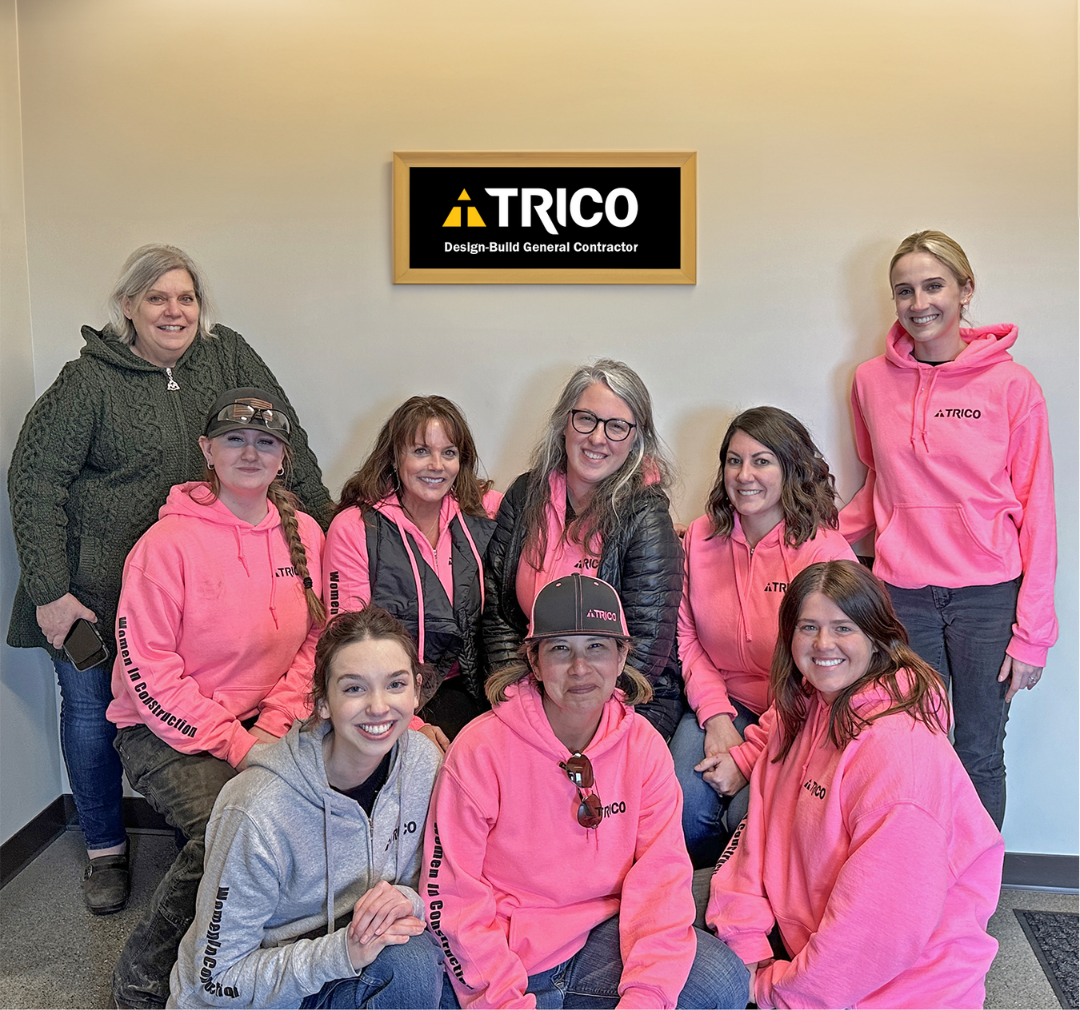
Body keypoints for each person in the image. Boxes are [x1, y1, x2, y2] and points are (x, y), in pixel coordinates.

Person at [6, 244, 331, 915]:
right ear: (128, 307)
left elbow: (281, 435)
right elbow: (35, 479)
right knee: (95, 715)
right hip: (93, 595)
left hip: (202, 590)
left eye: (185, 297)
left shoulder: (226, 355)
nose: (173, 310)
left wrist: (332, 538)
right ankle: (105, 851)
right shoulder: (87, 382)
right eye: (157, 297)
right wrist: (47, 589)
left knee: (206, 704)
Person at [426, 573, 749, 1009]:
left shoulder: (644, 747)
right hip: (504, 957)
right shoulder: (479, 749)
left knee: (721, 981)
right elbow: (453, 897)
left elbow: (661, 882)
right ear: (534, 662)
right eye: (560, 649)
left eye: (596, 647)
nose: (580, 669)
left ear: (621, 658)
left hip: (598, 941)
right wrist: (500, 999)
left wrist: (645, 998)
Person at [107, 387, 326, 1010]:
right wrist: (238, 744)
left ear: (283, 457)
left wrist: (276, 722)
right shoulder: (164, 545)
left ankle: (268, 955)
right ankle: (145, 975)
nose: (250, 452)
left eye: (265, 441)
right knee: (224, 830)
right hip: (165, 730)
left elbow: (315, 641)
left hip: (269, 719)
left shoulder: (303, 533)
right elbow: (148, 672)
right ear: (208, 450)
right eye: (235, 439)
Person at [707, 560, 1004, 1010]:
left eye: (843, 628)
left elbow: (876, 933)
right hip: (803, 946)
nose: (823, 643)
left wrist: (768, 990)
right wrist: (744, 942)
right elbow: (756, 835)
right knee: (651, 926)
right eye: (809, 626)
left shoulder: (900, 752)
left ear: (878, 637)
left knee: (685, 977)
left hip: (895, 988)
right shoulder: (802, 708)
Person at [839, 229, 1057, 828]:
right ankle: (921, 886)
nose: (918, 303)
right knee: (914, 749)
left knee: (979, 752)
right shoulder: (869, 382)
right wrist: (810, 537)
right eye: (903, 291)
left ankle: (972, 904)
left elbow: (1038, 509)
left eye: (933, 286)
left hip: (989, 598)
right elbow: (878, 489)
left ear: (965, 291)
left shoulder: (1013, 386)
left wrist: (1034, 632)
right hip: (902, 594)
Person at [169, 607, 444, 1010]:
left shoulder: (422, 762)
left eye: (395, 684)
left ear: (416, 691)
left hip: (349, 963)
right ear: (323, 702)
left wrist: (407, 899)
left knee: (422, 962)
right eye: (354, 689)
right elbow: (214, 980)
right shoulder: (256, 810)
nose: (379, 707)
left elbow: (428, 887)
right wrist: (341, 954)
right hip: (257, 996)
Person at [670, 407, 855, 866]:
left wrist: (749, 756)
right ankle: (697, 911)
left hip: (800, 711)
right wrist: (714, 720)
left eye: (762, 461)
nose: (745, 475)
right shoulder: (699, 538)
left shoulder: (823, 551)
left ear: (790, 468)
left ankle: (748, 913)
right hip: (722, 704)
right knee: (683, 809)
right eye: (734, 461)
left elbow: (822, 669)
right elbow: (688, 639)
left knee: (747, 817)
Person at [482, 359, 684, 742]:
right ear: (564, 424)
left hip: (624, 698)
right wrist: (516, 696)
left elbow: (644, 647)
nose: (597, 438)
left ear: (636, 441)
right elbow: (499, 610)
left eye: (617, 426)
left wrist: (571, 713)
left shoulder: (646, 518)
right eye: (586, 419)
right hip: (527, 687)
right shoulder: (525, 495)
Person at [324, 396, 502, 744]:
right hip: (388, 697)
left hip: (473, 687)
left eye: (449, 453)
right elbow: (344, 643)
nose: (436, 465)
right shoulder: (355, 527)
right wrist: (412, 726)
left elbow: (552, 498)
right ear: (394, 457)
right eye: (421, 451)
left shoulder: (486, 515)